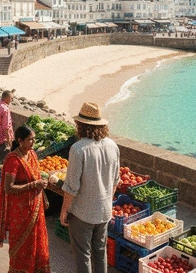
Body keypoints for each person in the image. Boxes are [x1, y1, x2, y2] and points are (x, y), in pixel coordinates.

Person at [60, 102, 120, 273]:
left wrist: (64, 210)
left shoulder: (78, 149)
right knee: (100, 253)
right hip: (104, 212)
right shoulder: (113, 146)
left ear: (81, 126)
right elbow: (116, 180)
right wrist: (106, 201)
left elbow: (72, 186)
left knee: (83, 254)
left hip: (82, 213)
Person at [0, 125, 51, 273]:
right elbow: (9, 188)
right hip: (20, 213)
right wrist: (33, 185)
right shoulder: (13, 160)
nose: (33, 143)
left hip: (35, 207)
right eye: (29, 140)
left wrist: (43, 195)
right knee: (22, 247)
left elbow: (37, 177)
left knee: (37, 242)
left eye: (34, 139)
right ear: (19, 141)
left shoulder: (32, 154)